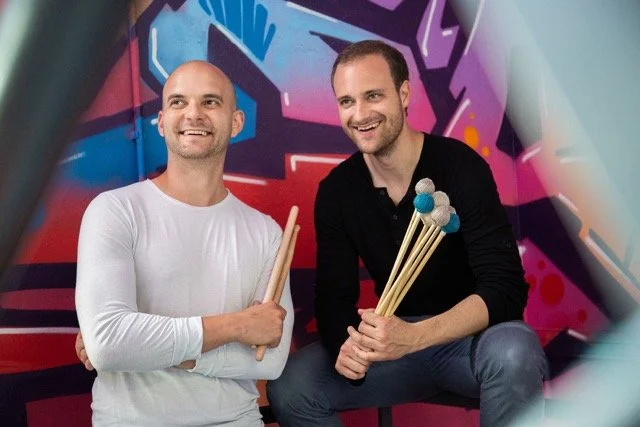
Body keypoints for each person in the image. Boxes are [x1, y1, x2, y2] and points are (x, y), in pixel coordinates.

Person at [267, 40, 547, 426]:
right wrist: (346, 346)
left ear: (403, 94)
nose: (360, 114)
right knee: (293, 385)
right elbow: (333, 299)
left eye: (373, 96)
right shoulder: (337, 191)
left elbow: (505, 291)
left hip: (471, 345)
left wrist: (415, 336)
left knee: (515, 351)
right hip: (392, 350)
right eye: (347, 101)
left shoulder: (460, 166)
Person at [74, 60, 293, 426]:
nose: (194, 114)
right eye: (178, 102)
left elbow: (270, 361)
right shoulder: (114, 211)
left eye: (210, 102)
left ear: (236, 122)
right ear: (161, 122)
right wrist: (237, 326)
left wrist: (147, 348)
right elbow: (110, 344)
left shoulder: (266, 232)